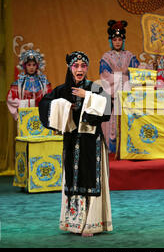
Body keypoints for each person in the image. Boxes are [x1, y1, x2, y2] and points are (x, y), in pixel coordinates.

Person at [39, 51, 113, 237]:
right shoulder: (62, 90)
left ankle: (91, 223)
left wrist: (87, 96)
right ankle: (74, 222)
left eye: (83, 66)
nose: (79, 69)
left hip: (91, 143)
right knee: (73, 179)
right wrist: (63, 105)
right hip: (72, 142)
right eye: (76, 66)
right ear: (70, 68)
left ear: (87, 68)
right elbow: (44, 105)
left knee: (90, 179)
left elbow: (108, 106)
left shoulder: (94, 88)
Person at [99, 20, 140, 153]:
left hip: (127, 97)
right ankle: (113, 150)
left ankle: (129, 149)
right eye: (115, 39)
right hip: (113, 97)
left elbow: (137, 72)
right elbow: (105, 76)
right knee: (112, 124)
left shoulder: (129, 56)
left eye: (119, 39)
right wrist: (125, 80)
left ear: (123, 41)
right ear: (111, 41)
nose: (117, 42)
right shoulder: (106, 57)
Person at [6, 43, 52, 121]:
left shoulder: (44, 83)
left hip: (41, 118)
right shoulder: (19, 84)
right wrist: (26, 103)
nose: (31, 67)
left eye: (34, 65)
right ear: (24, 66)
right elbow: (10, 100)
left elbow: (50, 100)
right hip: (24, 118)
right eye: (29, 65)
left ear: (37, 66)